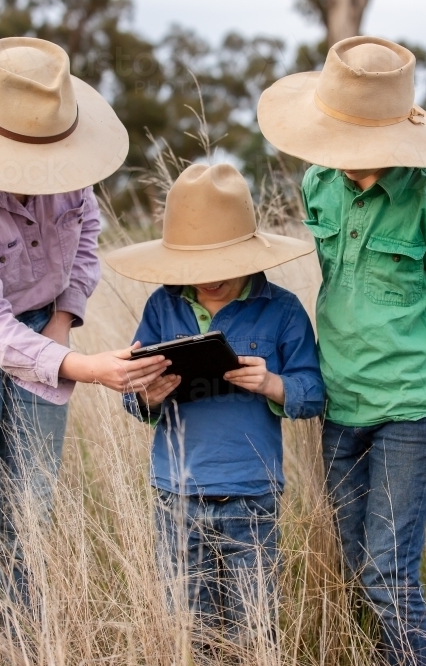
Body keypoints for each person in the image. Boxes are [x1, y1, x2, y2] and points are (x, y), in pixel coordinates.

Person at [0, 36, 169, 663]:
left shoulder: (69, 171)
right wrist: (83, 367)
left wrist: (62, 318)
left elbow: (85, 241)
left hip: (45, 327)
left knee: (31, 517)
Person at [257, 36, 426, 665]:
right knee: (357, 561)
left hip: (413, 405)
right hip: (342, 399)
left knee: (389, 568)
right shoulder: (318, 184)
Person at [104, 163, 325, 659]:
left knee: (255, 627)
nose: (209, 280)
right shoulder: (163, 306)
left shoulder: (283, 309)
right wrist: (147, 396)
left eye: (222, 264)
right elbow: (132, 392)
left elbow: (313, 391)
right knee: (190, 632)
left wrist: (271, 383)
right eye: (194, 268)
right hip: (175, 494)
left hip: (252, 494)